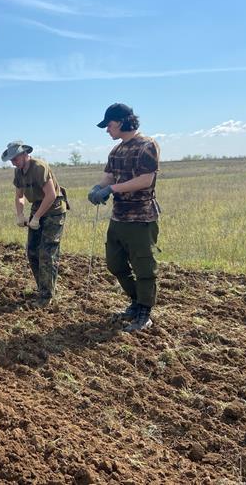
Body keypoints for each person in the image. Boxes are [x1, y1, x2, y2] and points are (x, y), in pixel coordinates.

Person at [88, 103, 160, 332]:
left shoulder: (147, 146)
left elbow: (145, 180)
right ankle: (135, 302)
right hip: (118, 218)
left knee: (143, 267)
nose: (107, 130)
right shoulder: (116, 151)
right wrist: (98, 188)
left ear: (120, 122)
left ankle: (144, 313)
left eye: (108, 125)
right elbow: (109, 176)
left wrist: (112, 190)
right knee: (115, 263)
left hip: (140, 217)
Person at [2, 141, 68, 308]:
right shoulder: (18, 172)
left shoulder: (39, 167)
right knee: (32, 251)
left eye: (15, 159)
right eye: (12, 160)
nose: (13, 162)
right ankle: (44, 288)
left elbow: (51, 195)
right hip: (37, 206)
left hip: (53, 208)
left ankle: (46, 298)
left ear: (25, 154)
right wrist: (20, 214)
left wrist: (37, 218)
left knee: (47, 252)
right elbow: (19, 196)